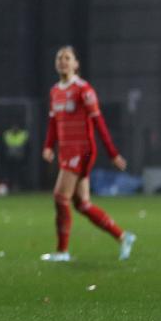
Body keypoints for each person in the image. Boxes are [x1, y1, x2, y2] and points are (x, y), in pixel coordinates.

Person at [41, 45, 136, 262]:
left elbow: (98, 122)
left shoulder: (83, 89)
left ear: (76, 64)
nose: (63, 62)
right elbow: (53, 122)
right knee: (82, 204)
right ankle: (123, 237)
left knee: (60, 197)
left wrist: (112, 153)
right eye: (59, 58)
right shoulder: (55, 91)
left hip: (82, 151)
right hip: (66, 151)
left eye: (67, 58)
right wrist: (48, 146)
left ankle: (62, 252)